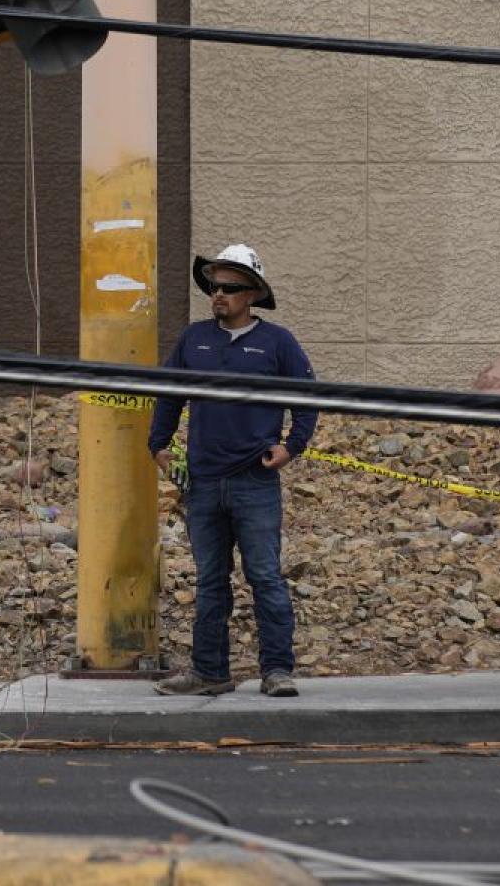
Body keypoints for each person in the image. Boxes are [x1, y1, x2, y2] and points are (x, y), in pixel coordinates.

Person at [147, 243, 317, 697]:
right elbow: (168, 394)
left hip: (254, 481)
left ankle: (277, 671)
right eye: (214, 286)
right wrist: (158, 446)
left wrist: (292, 447)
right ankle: (210, 673)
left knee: (264, 575)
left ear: (253, 294)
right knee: (210, 581)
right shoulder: (193, 340)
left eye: (229, 287)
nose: (218, 294)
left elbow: (309, 396)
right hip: (203, 482)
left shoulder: (277, 343)